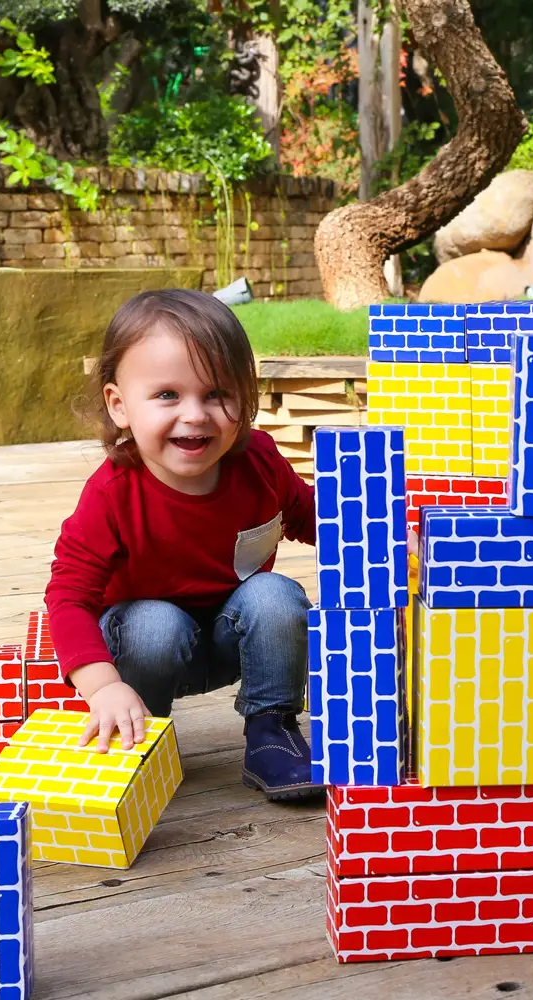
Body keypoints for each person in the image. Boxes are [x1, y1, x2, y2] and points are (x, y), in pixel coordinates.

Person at [45, 289, 321, 801]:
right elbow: (67, 598)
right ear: (119, 405)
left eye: (217, 393)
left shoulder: (258, 462)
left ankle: (271, 731)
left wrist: (397, 540)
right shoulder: (113, 494)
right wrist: (102, 687)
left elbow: (311, 517)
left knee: (277, 595)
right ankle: (139, 737)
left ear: (246, 395)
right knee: (155, 622)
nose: (195, 414)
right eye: (168, 395)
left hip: (228, 638)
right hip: (142, 649)